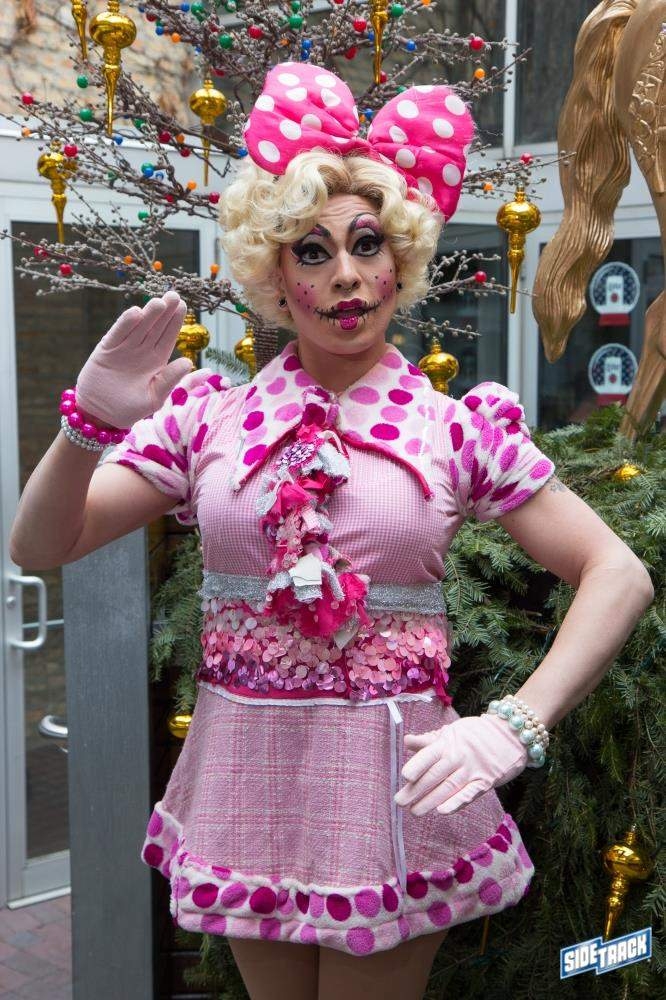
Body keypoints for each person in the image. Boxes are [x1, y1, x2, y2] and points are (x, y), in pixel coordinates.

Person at [9, 62, 654, 1000]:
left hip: (391, 789)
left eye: (367, 244)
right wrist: (89, 426)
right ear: (276, 273)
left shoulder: (454, 428)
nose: (346, 275)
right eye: (312, 251)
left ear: (401, 259)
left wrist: (515, 724)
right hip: (246, 782)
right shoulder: (210, 419)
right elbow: (38, 547)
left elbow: (618, 572)